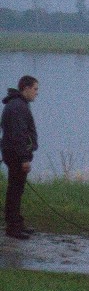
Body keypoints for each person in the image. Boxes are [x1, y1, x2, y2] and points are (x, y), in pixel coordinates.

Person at [1, 76, 39, 240]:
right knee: (15, 191)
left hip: (13, 153)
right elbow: (18, 135)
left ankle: (16, 222)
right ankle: (13, 227)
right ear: (26, 88)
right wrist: (24, 158)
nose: (37, 93)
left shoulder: (19, 104)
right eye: (35, 89)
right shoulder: (17, 107)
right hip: (16, 155)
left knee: (16, 189)